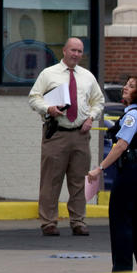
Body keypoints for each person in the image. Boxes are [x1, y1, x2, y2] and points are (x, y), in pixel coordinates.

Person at [28, 37, 105, 237]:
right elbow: (34, 97)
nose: (76, 54)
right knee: (51, 180)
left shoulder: (87, 76)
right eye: (73, 50)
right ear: (64, 51)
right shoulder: (49, 74)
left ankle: (78, 221)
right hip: (57, 134)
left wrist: (91, 118)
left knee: (79, 180)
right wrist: (48, 108)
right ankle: (48, 222)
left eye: (79, 51)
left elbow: (99, 101)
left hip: (80, 134)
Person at [87, 75, 137, 272]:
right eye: (126, 85)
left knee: (122, 223)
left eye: (131, 86)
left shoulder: (132, 115)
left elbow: (121, 145)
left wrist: (99, 168)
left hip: (132, 172)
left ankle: (121, 272)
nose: (125, 88)